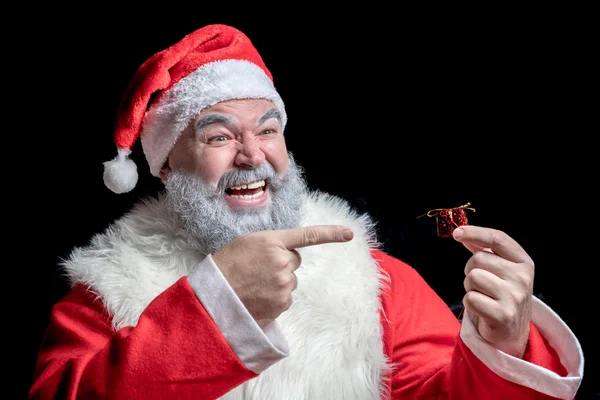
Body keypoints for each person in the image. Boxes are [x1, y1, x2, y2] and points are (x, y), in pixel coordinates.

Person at [28, 24, 583, 400]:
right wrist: (214, 311)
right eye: (218, 135)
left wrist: (503, 346)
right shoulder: (106, 286)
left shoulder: (376, 279)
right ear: (168, 166)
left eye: (268, 130)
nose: (253, 156)